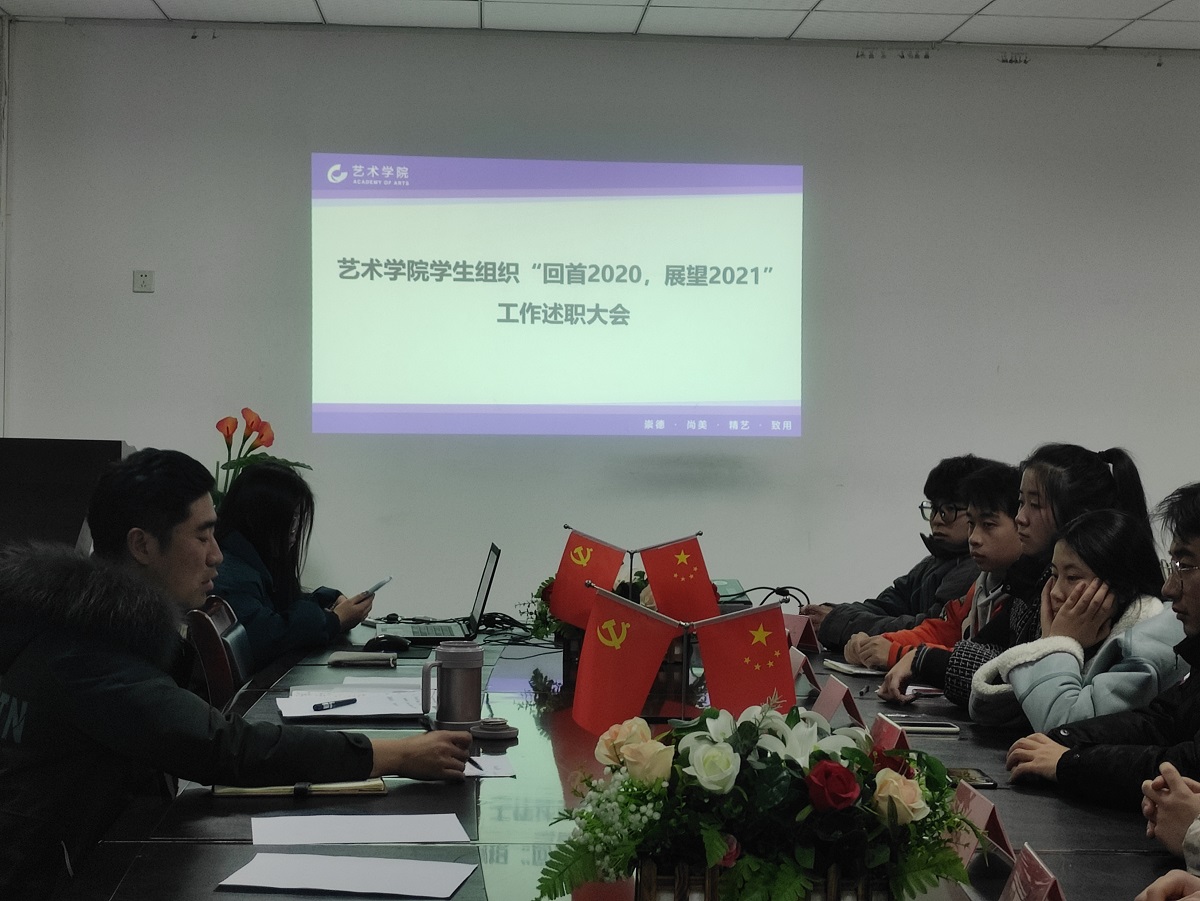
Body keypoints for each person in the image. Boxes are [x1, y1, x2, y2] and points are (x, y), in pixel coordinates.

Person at [0, 448, 470, 900]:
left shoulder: (77, 625)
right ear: (142, 545)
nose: (217, 556)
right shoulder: (82, 653)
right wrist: (394, 754)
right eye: (202, 536)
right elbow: (220, 746)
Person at [886, 443, 1152, 708]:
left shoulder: (1094, 594)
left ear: (1078, 516)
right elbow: (997, 652)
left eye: (1034, 505)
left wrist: (927, 661)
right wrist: (923, 658)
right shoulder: (1031, 576)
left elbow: (1026, 689)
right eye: (1020, 503)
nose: (1020, 518)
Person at [1005, 481, 1200, 809]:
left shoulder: (1147, 643)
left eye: (1186, 565)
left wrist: (1059, 643)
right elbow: (1159, 721)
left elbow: (1187, 763)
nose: (1169, 588)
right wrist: (1065, 741)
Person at [969, 508, 1185, 730]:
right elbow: (990, 712)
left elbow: (1062, 727)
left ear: (1121, 587)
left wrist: (1057, 643)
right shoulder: (1089, 632)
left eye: (1072, 577)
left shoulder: (1146, 648)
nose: (1055, 592)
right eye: (1054, 575)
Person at [859, 462, 1023, 695]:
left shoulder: (1023, 593)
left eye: (988, 525)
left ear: (1022, 523)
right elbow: (944, 629)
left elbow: (991, 661)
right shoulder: (984, 582)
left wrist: (898, 653)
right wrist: (877, 642)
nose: (974, 538)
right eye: (971, 524)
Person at [802, 454, 988, 652]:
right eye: (933, 508)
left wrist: (836, 622)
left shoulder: (974, 570)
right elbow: (887, 605)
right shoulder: (933, 563)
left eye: (948, 509)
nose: (936, 520)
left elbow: (926, 629)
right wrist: (832, 613)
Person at [213, 462, 374, 672]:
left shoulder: (247, 561)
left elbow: (282, 608)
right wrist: (335, 620)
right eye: (292, 519)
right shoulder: (232, 574)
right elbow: (268, 636)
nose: (295, 532)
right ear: (261, 519)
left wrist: (328, 599)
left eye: (298, 520)